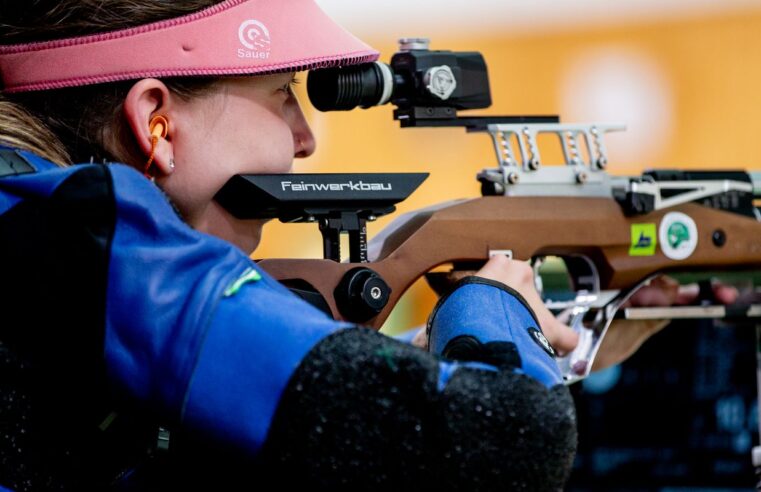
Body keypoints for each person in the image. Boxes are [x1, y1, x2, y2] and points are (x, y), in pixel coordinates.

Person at [2, 0, 727, 490]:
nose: (307, 138)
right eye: (284, 93)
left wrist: (566, 348)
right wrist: (490, 309)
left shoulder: (34, 226)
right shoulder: (88, 237)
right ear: (156, 120)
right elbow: (508, 441)